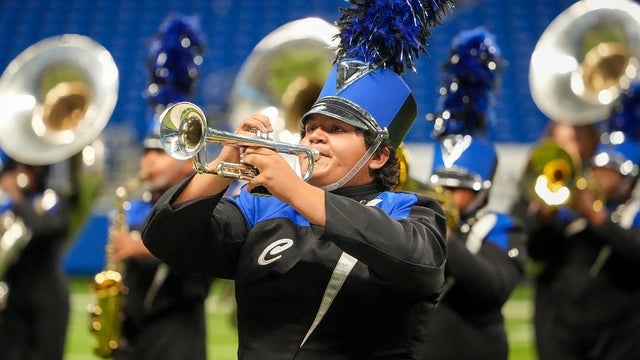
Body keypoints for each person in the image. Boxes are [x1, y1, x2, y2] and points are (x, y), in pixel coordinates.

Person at [142, 0, 453, 358]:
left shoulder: (413, 210)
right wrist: (226, 158)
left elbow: (419, 265)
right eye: (310, 128)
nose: (314, 138)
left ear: (379, 155)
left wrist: (294, 189)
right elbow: (166, 239)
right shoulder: (263, 209)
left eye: (335, 129)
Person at [104, 13, 214, 360]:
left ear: (185, 158)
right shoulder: (134, 205)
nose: (148, 163)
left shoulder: (203, 203)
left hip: (177, 340)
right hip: (132, 337)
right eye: (146, 154)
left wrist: (138, 247)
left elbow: (199, 255)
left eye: (160, 154)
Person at [417, 27, 528, 360]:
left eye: (459, 187)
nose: (445, 192)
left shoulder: (501, 227)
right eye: (442, 183)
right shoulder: (418, 219)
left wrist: (445, 239)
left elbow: (493, 287)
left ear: (483, 192)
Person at [510, 82, 640, 360]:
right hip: (558, 322)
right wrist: (545, 214)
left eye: (610, 169)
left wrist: (596, 217)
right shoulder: (553, 194)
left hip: (618, 332)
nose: (601, 175)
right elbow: (532, 250)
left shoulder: (627, 208)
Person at [0, 157, 73, 360]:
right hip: (14, 301)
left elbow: (44, 228)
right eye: (18, 167)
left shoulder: (53, 198)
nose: (23, 172)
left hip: (48, 302)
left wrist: (16, 198)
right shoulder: (6, 205)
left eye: (29, 166)